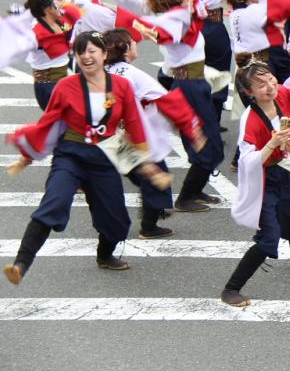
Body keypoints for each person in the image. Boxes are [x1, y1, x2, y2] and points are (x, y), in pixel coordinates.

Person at [3, 32, 167, 285]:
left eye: (92, 51)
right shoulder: (65, 86)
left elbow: (134, 123)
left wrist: (147, 165)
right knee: (53, 204)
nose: (87, 56)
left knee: (116, 221)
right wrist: (27, 156)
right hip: (71, 155)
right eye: (81, 52)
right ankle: (20, 264)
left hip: (106, 156)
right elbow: (47, 124)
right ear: (76, 57)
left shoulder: (121, 86)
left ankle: (105, 255)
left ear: (104, 54)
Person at [223, 56, 290, 306]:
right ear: (249, 93)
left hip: (281, 170)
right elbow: (248, 160)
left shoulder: (280, 95)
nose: (270, 87)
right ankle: (231, 288)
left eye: (271, 79)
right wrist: (273, 142)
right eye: (261, 85)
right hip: (261, 181)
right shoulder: (250, 119)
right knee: (268, 238)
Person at [103, 28, 206, 239]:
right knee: (157, 181)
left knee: (140, 175)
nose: (135, 43)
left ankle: (152, 209)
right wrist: (191, 128)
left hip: (112, 137)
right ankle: (149, 226)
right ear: (124, 48)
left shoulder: (102, 72)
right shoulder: (133, 74)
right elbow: (167, 101)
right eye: (132, 41)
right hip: (140, 136)